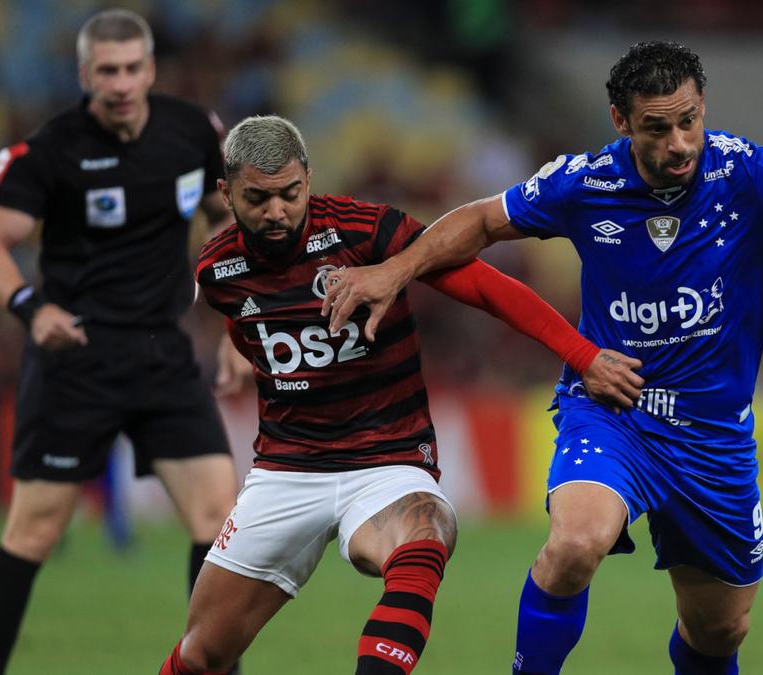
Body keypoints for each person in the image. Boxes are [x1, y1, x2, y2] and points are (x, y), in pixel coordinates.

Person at [322, 40, 763, 675]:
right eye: (658, 126)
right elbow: (479, 220)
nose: (680, 140)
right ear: (620, 120)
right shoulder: (583, 182)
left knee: (720, 630)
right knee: (576, 544)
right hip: (613, 413)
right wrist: (397, 270)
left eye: (689, 118)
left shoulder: (752, 174)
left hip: (714, 437)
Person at [158, 114, 642, 675]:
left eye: (290, 193)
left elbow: (485, 286)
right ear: (226, 193)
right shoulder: (218, 270)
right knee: (202, 653)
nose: (276, 211)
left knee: (428, 531)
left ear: (308, 179)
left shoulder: (365, 232)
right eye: (257, 198)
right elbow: (248, 319)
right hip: (286, 470)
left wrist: (581, 356)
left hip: (387, 460)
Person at [0, 10, 243, 674]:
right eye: (106, 71)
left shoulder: (192, 132)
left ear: (151, 70)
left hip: (164, 351)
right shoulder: (49, 150)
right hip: (75, 359)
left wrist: (238, 325)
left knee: (220, 524)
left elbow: (224, 220)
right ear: (86, 75)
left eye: (131, 68)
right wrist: (30, 307)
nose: (120, 83)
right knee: (32, 532)